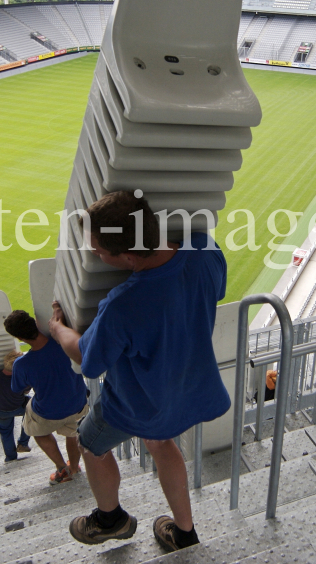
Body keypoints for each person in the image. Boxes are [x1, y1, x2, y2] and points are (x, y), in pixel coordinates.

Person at [48, 190, 230, 553]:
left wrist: (57, 329)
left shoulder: (122, 305)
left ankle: (110, 518)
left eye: (99, 251)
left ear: (127, 257)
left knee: (89, 444)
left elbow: (87, 359)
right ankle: (184, 533)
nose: (95, 255)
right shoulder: (204, 249)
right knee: (161, 442)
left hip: (139, 404)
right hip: (191, 390)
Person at [3, 310, 89, 485]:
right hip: (78, 402)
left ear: (20, 338)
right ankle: (73, 467)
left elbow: (18, 388)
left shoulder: (22, 364)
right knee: (73, 433)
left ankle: (62, 470)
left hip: (48, 412)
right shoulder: (65, 341)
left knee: (36, 431)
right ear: (35, 323)